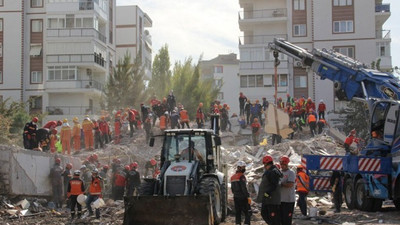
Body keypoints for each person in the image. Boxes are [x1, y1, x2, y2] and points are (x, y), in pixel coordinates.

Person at [257, 155, 282, 225]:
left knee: (273, 218)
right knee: (265, 214)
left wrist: (266, 194)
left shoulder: (273, 172)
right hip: (268, 199)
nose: (264, 166)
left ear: (266, 163)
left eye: (264, 164)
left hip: (272, 200)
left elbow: (274, 185)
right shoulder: (272, 171)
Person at [230, 161, 251, 225]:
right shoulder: (242, 176)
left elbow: (232, 189)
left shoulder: (232, 177)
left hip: (236, 197)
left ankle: (238, 223)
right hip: (243, 197)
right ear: (239, 167)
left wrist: (236, 194)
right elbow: (244, 188)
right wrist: (248, 196)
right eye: (243, 167)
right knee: (248, 212)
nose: (244, 168)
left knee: (238, 213)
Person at [279, 156, 295, 225]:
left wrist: (281, 184)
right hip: (280, 200)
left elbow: (290, 184)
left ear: (287, 164)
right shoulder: (279, 172)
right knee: (281, 219)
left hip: (289, 200)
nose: (282, 166)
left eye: (283, 165)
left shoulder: (291, 173)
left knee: (287, 220)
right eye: (281, 164)